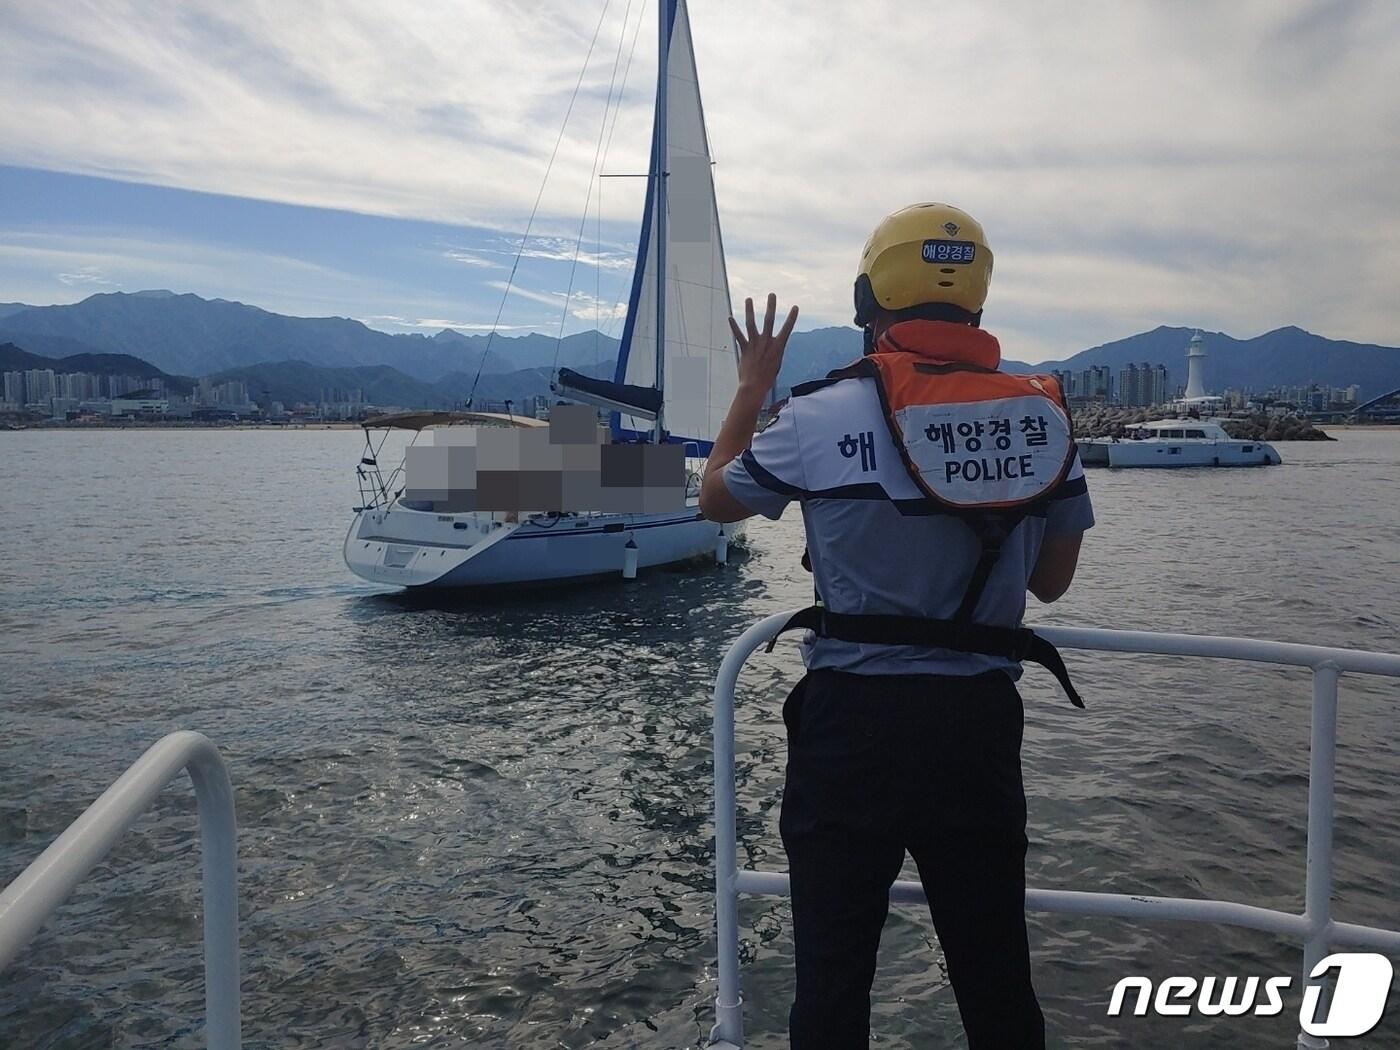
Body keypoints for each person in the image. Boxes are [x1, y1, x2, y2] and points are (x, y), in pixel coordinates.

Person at [699, 203, 1094, 1049]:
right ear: (978, 300)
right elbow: (1052, 585)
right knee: (995, 980)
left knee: (833, 985)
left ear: (868, 297)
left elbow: (715, 499)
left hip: (853, 732)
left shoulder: (819, 414)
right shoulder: (1043, 417)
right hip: (977, 733)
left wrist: (750, 389)